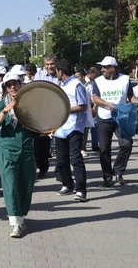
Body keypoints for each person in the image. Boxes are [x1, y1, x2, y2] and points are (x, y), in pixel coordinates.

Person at [0, 72, 38, 238]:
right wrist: (5, 110)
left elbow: (36, 129)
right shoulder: (2, 104)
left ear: (20, 84)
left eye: (15, 84)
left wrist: (47, 131)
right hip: (7, 150)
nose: (12, 87)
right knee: (10, 187)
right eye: (9, 85)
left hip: (26, 150)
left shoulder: (29, 105)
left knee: (25, 187)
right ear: (5, 87)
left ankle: (22, 217)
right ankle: (15, 223)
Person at [92, 56, 138, 187]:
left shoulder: (125, 79)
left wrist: (136, 102)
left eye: (105, 67)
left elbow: (130, 96)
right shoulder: (98, 81)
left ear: (113, 68)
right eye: (101, 67)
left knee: (127, 144)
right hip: (104, 117)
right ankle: (107, 177)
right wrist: (106, 103)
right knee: (104, 149)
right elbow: (95, 97)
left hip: (121, 117)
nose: (102, 69)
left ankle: (118, 170)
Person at [53, 60, 88, 202]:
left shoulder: (76, 85)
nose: (56, 74)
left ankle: (81, 190)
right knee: (61, 159)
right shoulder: (61, 85)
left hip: (74, 127)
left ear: (61, 72)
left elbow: (83, 106)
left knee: (76, 159)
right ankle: (67, 184)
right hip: (61, 127)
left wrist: (65, 110)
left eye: (57, 71)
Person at [33, 54, 59, 178]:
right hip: (42, 112)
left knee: (60, 140)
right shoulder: (40, 75)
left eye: (52, 64)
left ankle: (61, 169)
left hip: (58, 111)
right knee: (41, 142)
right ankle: (42, 168)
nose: (50, 67)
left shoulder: (61, 75)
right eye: (47, 64)